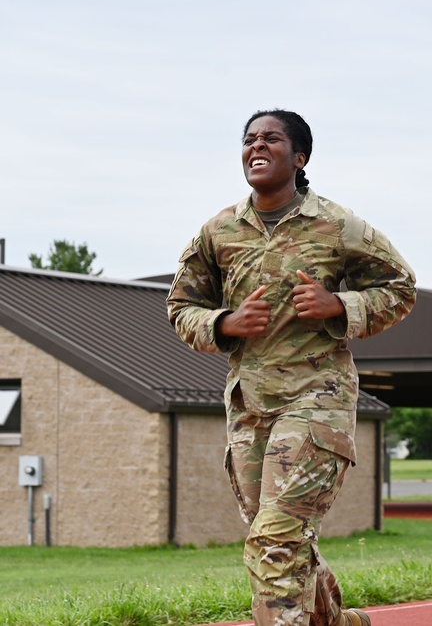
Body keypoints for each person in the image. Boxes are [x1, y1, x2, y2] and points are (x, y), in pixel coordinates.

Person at [167, 109, 416, 626]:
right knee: (282, 538)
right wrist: (225, 322)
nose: (257, 147)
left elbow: (400, 288)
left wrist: (339, 307)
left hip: (316, 398)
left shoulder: (339, 226)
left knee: (274, 540)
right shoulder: (219, 231)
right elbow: (180, 306)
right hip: (249, 407)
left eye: (271, 139)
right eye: (249, 139)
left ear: (299, 157)